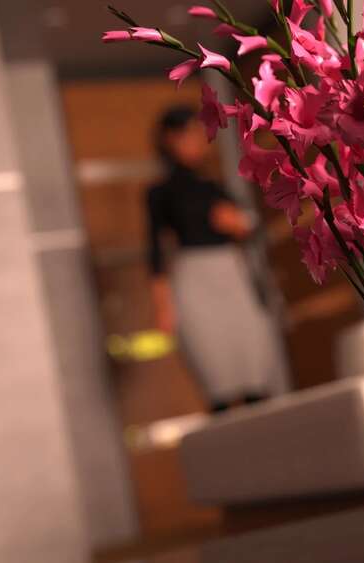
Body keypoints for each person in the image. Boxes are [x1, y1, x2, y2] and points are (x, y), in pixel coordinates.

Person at [146, 106, 286, 413]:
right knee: (214, 365)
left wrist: (239, 223)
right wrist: (162, 305)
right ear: (170, 139)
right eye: (188, 134)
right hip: (193, 276)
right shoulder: (160, 192)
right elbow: (155, 249)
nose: (197, 141)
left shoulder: (214, 186)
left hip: (231, 273)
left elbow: (251, 225)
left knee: (251, 356)